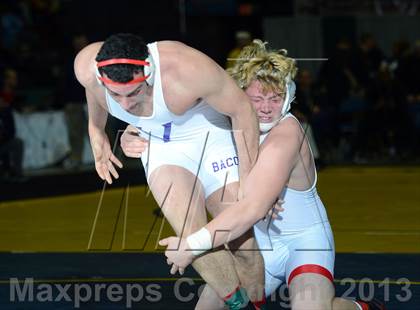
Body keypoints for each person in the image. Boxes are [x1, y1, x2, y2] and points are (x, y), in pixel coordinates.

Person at [158, 40, 386, 310]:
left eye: (274, 98)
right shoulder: (227, 119)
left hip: (303, 241)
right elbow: (172, 124)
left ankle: (359, 307)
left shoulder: (286, 135)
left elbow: (252, 208)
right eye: (257, 99)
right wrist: (138, 138)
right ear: (242, 97)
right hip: (257, 242)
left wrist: (192, 245)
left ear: (288, 97)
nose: (266, 108)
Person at [74, 33, 265, 309]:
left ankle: (257, 303)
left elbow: (243, 111)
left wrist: (250, 179)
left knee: (243, 243)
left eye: (133, 93)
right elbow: (93, 90)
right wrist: (96, 130)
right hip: (160, 144)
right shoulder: (86, 67)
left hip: (208, 133)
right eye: (115, 94)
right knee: (192, 235)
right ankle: (239, 305)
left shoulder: (186, 68)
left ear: (148, 72)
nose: (125, 104)